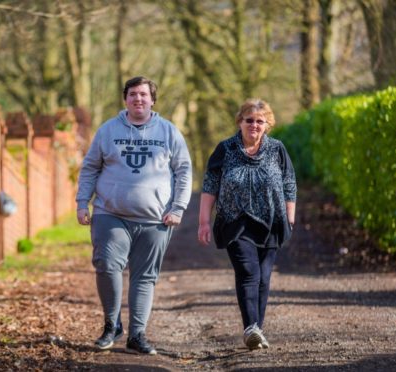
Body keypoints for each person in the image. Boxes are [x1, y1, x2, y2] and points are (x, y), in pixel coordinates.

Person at [76, 76, 192, 355]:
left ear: (152, 100)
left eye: (143, 95)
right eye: (132, 94)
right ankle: (111, 324)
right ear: (125, 99)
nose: (138, 99)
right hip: (110, 213)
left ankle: (137, 334)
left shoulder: (168, 132)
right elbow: (90, 167)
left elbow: (184, 170)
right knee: (106, 264)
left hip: (156, 220)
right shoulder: (107, 130)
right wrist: (83, 202)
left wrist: (177, 208)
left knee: (144, 277)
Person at [197, 98, 296, 351]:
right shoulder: (226, 149)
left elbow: (289, 183)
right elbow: (210, 185)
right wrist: (204, 221)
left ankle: (256, 331)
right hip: (235, 221)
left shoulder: (277, 149)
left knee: (264, 277)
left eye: (259, 121)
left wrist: (290, 216)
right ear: (239, 121)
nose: (254, 125)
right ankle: (251, 327)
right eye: (249, 120)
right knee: (248, 272)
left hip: (271, 221)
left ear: (268, 124)